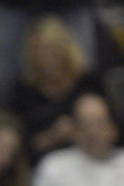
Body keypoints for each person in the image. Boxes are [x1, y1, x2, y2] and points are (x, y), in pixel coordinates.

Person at [9, 14, 104, 165]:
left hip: (92, 158)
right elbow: (16, 143)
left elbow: (113, 128)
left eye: (51, 49)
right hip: (43, 166)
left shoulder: (88, 83)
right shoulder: (23, 90)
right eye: (39, 50)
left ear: (65, 49)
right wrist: (51, 136)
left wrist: (81, 133)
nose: (45, 57)